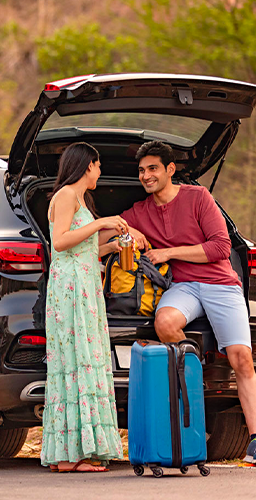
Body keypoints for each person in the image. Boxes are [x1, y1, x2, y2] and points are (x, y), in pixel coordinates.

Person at [120, 140, 256, 464]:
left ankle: (255, 440)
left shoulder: (199, 197)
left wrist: (169, 252)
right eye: (141, 170)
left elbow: (221, 247)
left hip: (221, 283)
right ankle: (193, 376)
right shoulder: (140, 211)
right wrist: (117, 231)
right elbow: (105, 233)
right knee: (164, 322)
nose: (146, 175)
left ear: (169, 170)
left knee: (242, 360)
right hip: (183, 286)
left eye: (152, 168)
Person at [41, 142, 126, 472]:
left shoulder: (79, 200)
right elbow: (60, 241)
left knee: (84, 359)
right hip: (71, 289)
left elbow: (83, 248)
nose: (100, 171)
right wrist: (101, 222)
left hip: (85, 287)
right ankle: (72, 455)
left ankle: (73, 452)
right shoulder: (64, 196)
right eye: (98, 165)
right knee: (75, 361)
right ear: (87, 165)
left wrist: (112, 244)